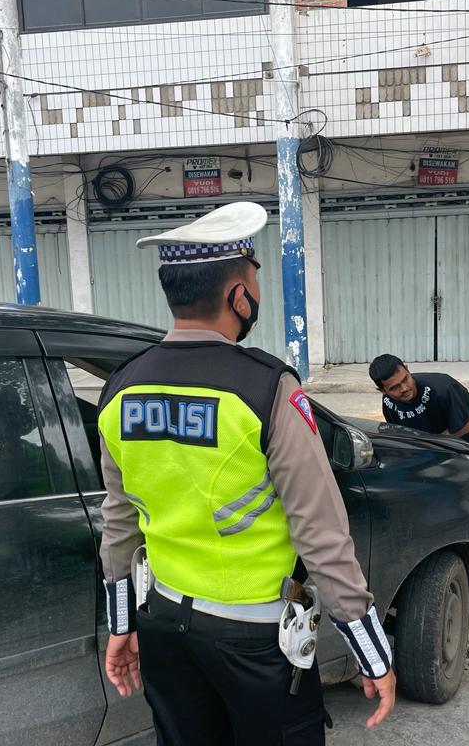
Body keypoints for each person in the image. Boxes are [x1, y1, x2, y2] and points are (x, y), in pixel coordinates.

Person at [95, 202, 396, 746]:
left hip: (163, 625)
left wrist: (122, 626)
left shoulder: (120, 389)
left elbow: (119, 523)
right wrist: (372, 653)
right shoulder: (265, 388)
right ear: (239, 295)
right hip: (254, 641)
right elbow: (321, 530)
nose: (256, 289)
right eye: (254, 276)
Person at [368, 354, 469, 458]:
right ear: (383, 391)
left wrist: (430, 445)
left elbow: (466, 426)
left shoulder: (443, 388)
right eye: (394, 387)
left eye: (406, 379)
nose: (404, 388)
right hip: (435, 452)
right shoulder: (389, 403)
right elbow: (399, 433)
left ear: (407, 369)